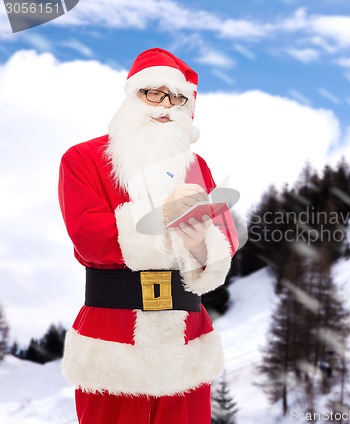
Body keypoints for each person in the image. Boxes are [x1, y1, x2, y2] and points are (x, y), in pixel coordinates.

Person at [58, 48, 239, 424]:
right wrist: (165, 222)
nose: (165, 105)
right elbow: (90, 237)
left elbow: (224, 242)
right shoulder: (82, 159)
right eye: (153, 93)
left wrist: (198, 243)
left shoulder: (197, 166)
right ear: (132, 97)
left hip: (187, 341)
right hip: (114, 340)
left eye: (177, 97)